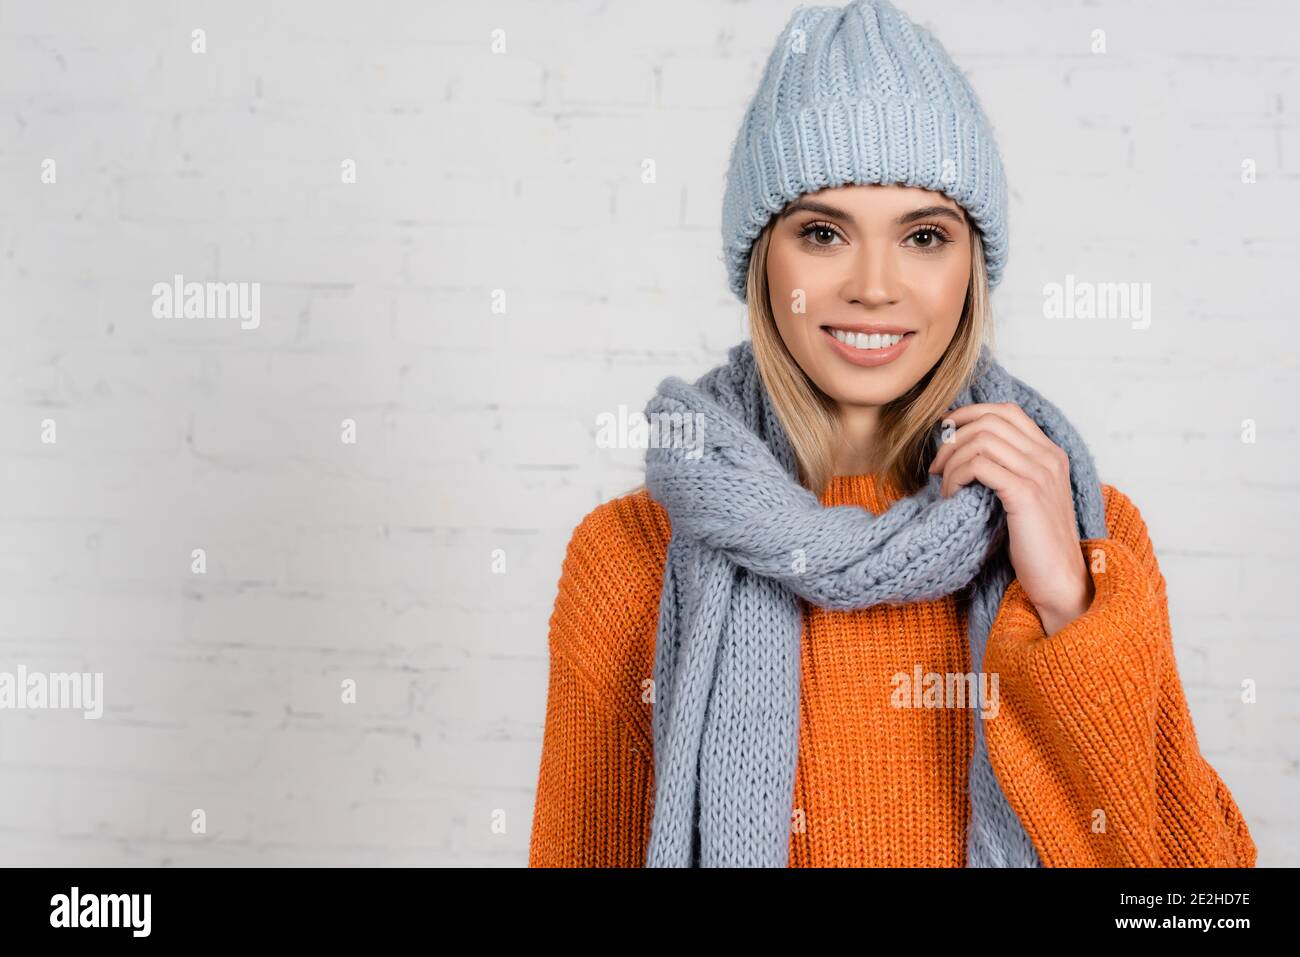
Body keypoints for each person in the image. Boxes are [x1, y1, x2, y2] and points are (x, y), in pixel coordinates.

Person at [528, 0, 1256, 867]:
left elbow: (1200, 902)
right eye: (824, 232)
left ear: (970, 268)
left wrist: (1069, 607)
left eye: (923, 235)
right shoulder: (631, 559)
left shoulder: (1086, 535)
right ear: (763, 258)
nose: (875, 285)